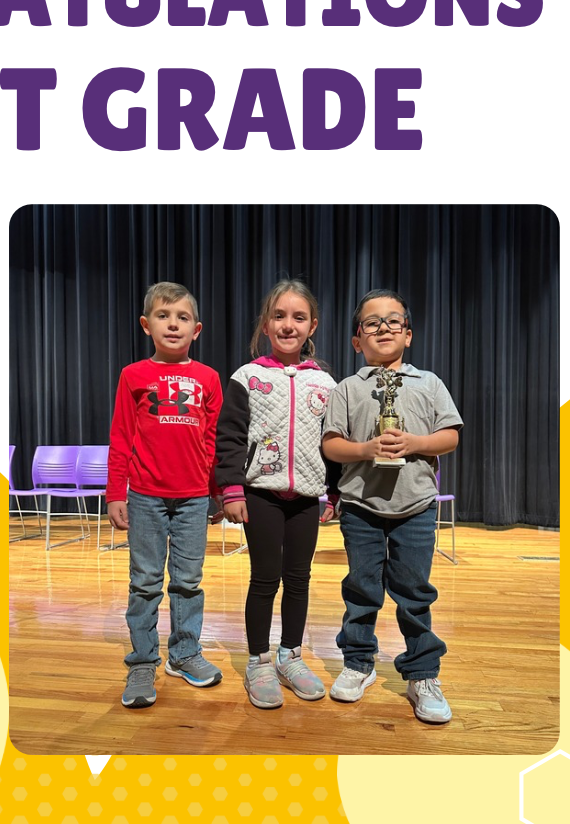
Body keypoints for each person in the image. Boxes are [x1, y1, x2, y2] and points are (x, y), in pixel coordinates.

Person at [321, 289, 463, 724]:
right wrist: (365, 448)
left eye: (393, 321)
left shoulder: (430, 383)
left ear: (409, 334)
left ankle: (422, 672)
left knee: (414, 592)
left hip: (416, 506)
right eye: (371, 323)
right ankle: (358, 661)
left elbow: (451, 436)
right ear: (356, 340)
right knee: (361, 588)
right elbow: (332, 445)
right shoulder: (347, 388)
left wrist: (416, 443)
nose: (383, 328)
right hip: (362, 506)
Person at [216, 279, 339, 710]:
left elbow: (333, 440)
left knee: (299, 579)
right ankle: (259, 661)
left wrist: (334, 491)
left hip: (306, 495)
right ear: (266, 325)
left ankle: (290, 656)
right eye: (279, 316)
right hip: (261, 495)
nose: (289, 325)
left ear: (312, 326)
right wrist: (231, 489)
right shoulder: (246, 378)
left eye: (298, 317)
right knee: (265, 579)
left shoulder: (325, 382)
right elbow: (229, 437)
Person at [107, 282, 224, 709]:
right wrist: (115, 491)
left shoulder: (208, 378)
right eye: (163, 315)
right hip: (145, 497)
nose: (172, 323)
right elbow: (120, 437)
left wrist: (215, 493)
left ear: (197, 328)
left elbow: (212, 440)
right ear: (146, 324)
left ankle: (184, 653)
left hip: (193, 498)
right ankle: (143, 659)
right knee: (145, 583)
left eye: (182, 317)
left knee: (189, 582)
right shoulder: (133, 376)